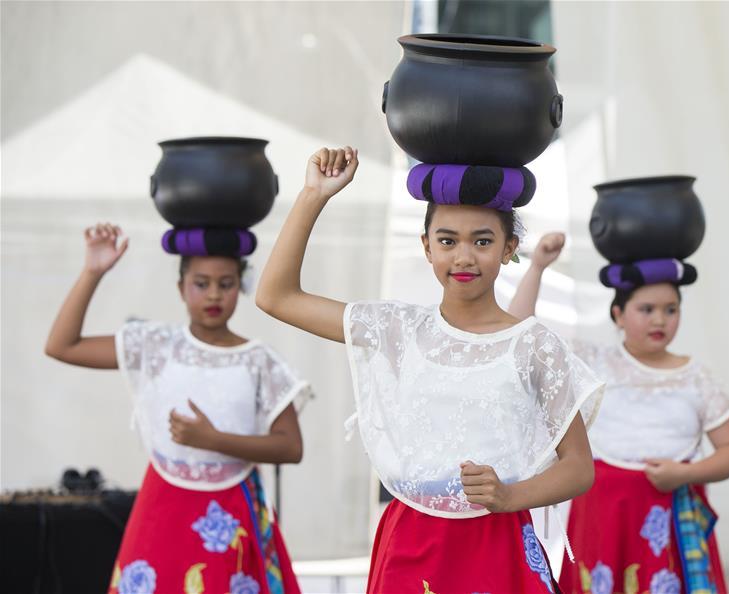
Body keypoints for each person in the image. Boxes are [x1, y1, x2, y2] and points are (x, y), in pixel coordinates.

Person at [256, 147, 605, 593]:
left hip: (495, 543)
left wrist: (509, 496)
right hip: (411, 541)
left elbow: (578, 466)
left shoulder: (534, 345)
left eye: (482, 241)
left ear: (509, 249)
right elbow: (276, 297)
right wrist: (313, 195)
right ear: (426, 247)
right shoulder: (397, 330)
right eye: (447, 241)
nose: (464, 257)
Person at [45, 222, 310, 594]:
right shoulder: (155, 346)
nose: (214, 294)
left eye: (226, 283)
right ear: (181, 287)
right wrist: (93, 271)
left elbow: (290, 446)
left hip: (231, 508)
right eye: (201, 283)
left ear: (242, 285)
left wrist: (213, 439)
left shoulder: (259, 361)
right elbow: (62, 345)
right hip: (163, 505)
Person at [509, 232, 729, 594]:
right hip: (603, 515)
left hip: (668, 516)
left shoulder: (697, 377)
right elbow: (519, 332)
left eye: (671, 310)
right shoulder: (592, 362)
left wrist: (684, 473)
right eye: (647, 310)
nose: (660, 320)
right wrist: (538, 267)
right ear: (618, 315)